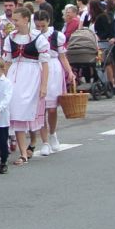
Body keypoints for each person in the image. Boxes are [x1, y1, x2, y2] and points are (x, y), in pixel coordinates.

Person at [6, 8, 50, 164]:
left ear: (26, 20)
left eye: (16, 20)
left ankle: (34, 142)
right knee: (16, 110)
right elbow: (7, 61)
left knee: (28, 110)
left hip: (32, 76)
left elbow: (45, 63)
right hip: (14, 76)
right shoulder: (11, 37)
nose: (14, 23)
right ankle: (23, 153)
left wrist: (44, 85)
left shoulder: (37, 38)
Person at [35, 9, 73, 154]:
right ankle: (44, 142)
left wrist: (69, 72)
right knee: (41, 108)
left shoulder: (57, 36)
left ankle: (52, 133)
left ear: (48, 22)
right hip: (38, 68)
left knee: (52, 108)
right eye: (37, 26)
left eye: (42, 26)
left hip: (54, 69)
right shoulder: (32, 36)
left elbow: (62, 56)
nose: (40, 29)